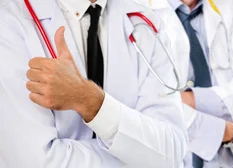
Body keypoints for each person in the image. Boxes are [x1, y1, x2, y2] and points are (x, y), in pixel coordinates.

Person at [0, 0, 188, 167]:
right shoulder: (9, 21)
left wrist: (90, 101)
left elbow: (171, 151)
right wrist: (140, 155)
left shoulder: (145, 23)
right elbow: (35, 161)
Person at [140, 0, 233, 167]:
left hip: (228, 162)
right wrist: (230, 132)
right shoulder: (137, 10)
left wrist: (190, 99)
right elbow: (147, 107)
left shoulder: (230, 9)